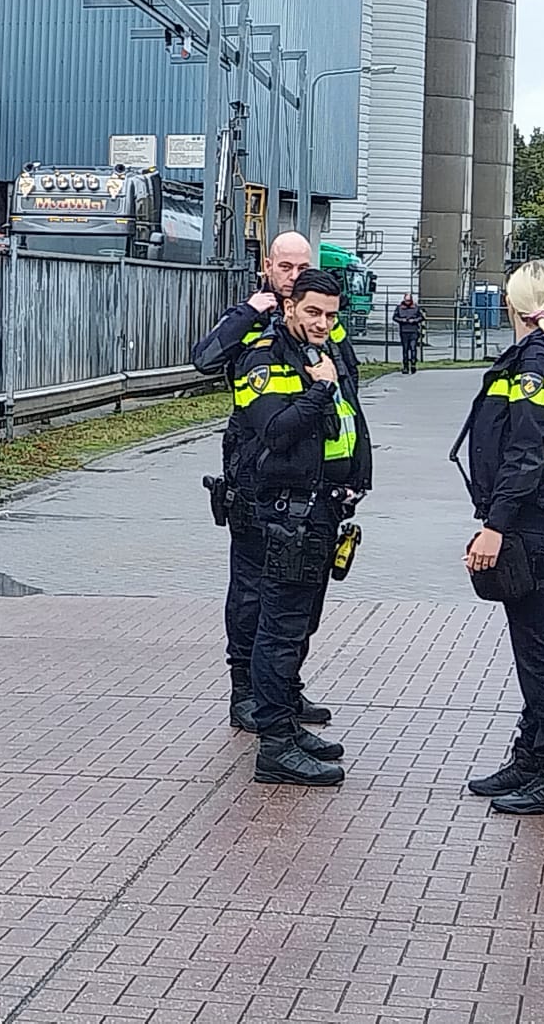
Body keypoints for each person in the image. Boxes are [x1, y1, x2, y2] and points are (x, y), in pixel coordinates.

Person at [192, 232, 354, 731]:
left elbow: (345, 381)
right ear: (267, 266)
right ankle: (247, 691)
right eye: (286, 266)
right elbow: (204, 358)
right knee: (252, 595)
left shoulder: (321, 318)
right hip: (255, 477)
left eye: (303, 265)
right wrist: (250, 310)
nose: (294, 275)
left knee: (297, 599)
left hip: (310, 486)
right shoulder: (253, 321)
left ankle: (283, 689)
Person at [459, 260, 544, 814]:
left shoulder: (535, 360)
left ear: (512, 307)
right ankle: (533, 757)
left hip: (536, 527)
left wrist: (495, 525)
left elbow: (524, 454)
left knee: (542, 656)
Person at [232, 268, 364, 785]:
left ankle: (287, 718)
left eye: (331, 316)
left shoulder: (323, 357)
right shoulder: (263, 359)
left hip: (322, 511)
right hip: (286, 514)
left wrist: (357, 480)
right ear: (288, 306)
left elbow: (350, 424)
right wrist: (319, 392)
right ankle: (275, 746)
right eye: (313, 312)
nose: (322, 323)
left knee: (301, 625)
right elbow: (277, 432)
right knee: (279, 630)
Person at [394, 294, 425, 374]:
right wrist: (402, 320)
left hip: (413, 330)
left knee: (413, 348)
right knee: (405, 349)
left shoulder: (416, 307)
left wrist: (414, 320)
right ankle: (405, 366)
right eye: (406, 300)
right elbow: (395, 317)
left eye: (409, 300)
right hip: (404, 331)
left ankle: (413, 364)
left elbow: (421, 317)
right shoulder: (399, 308)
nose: (407, 302)